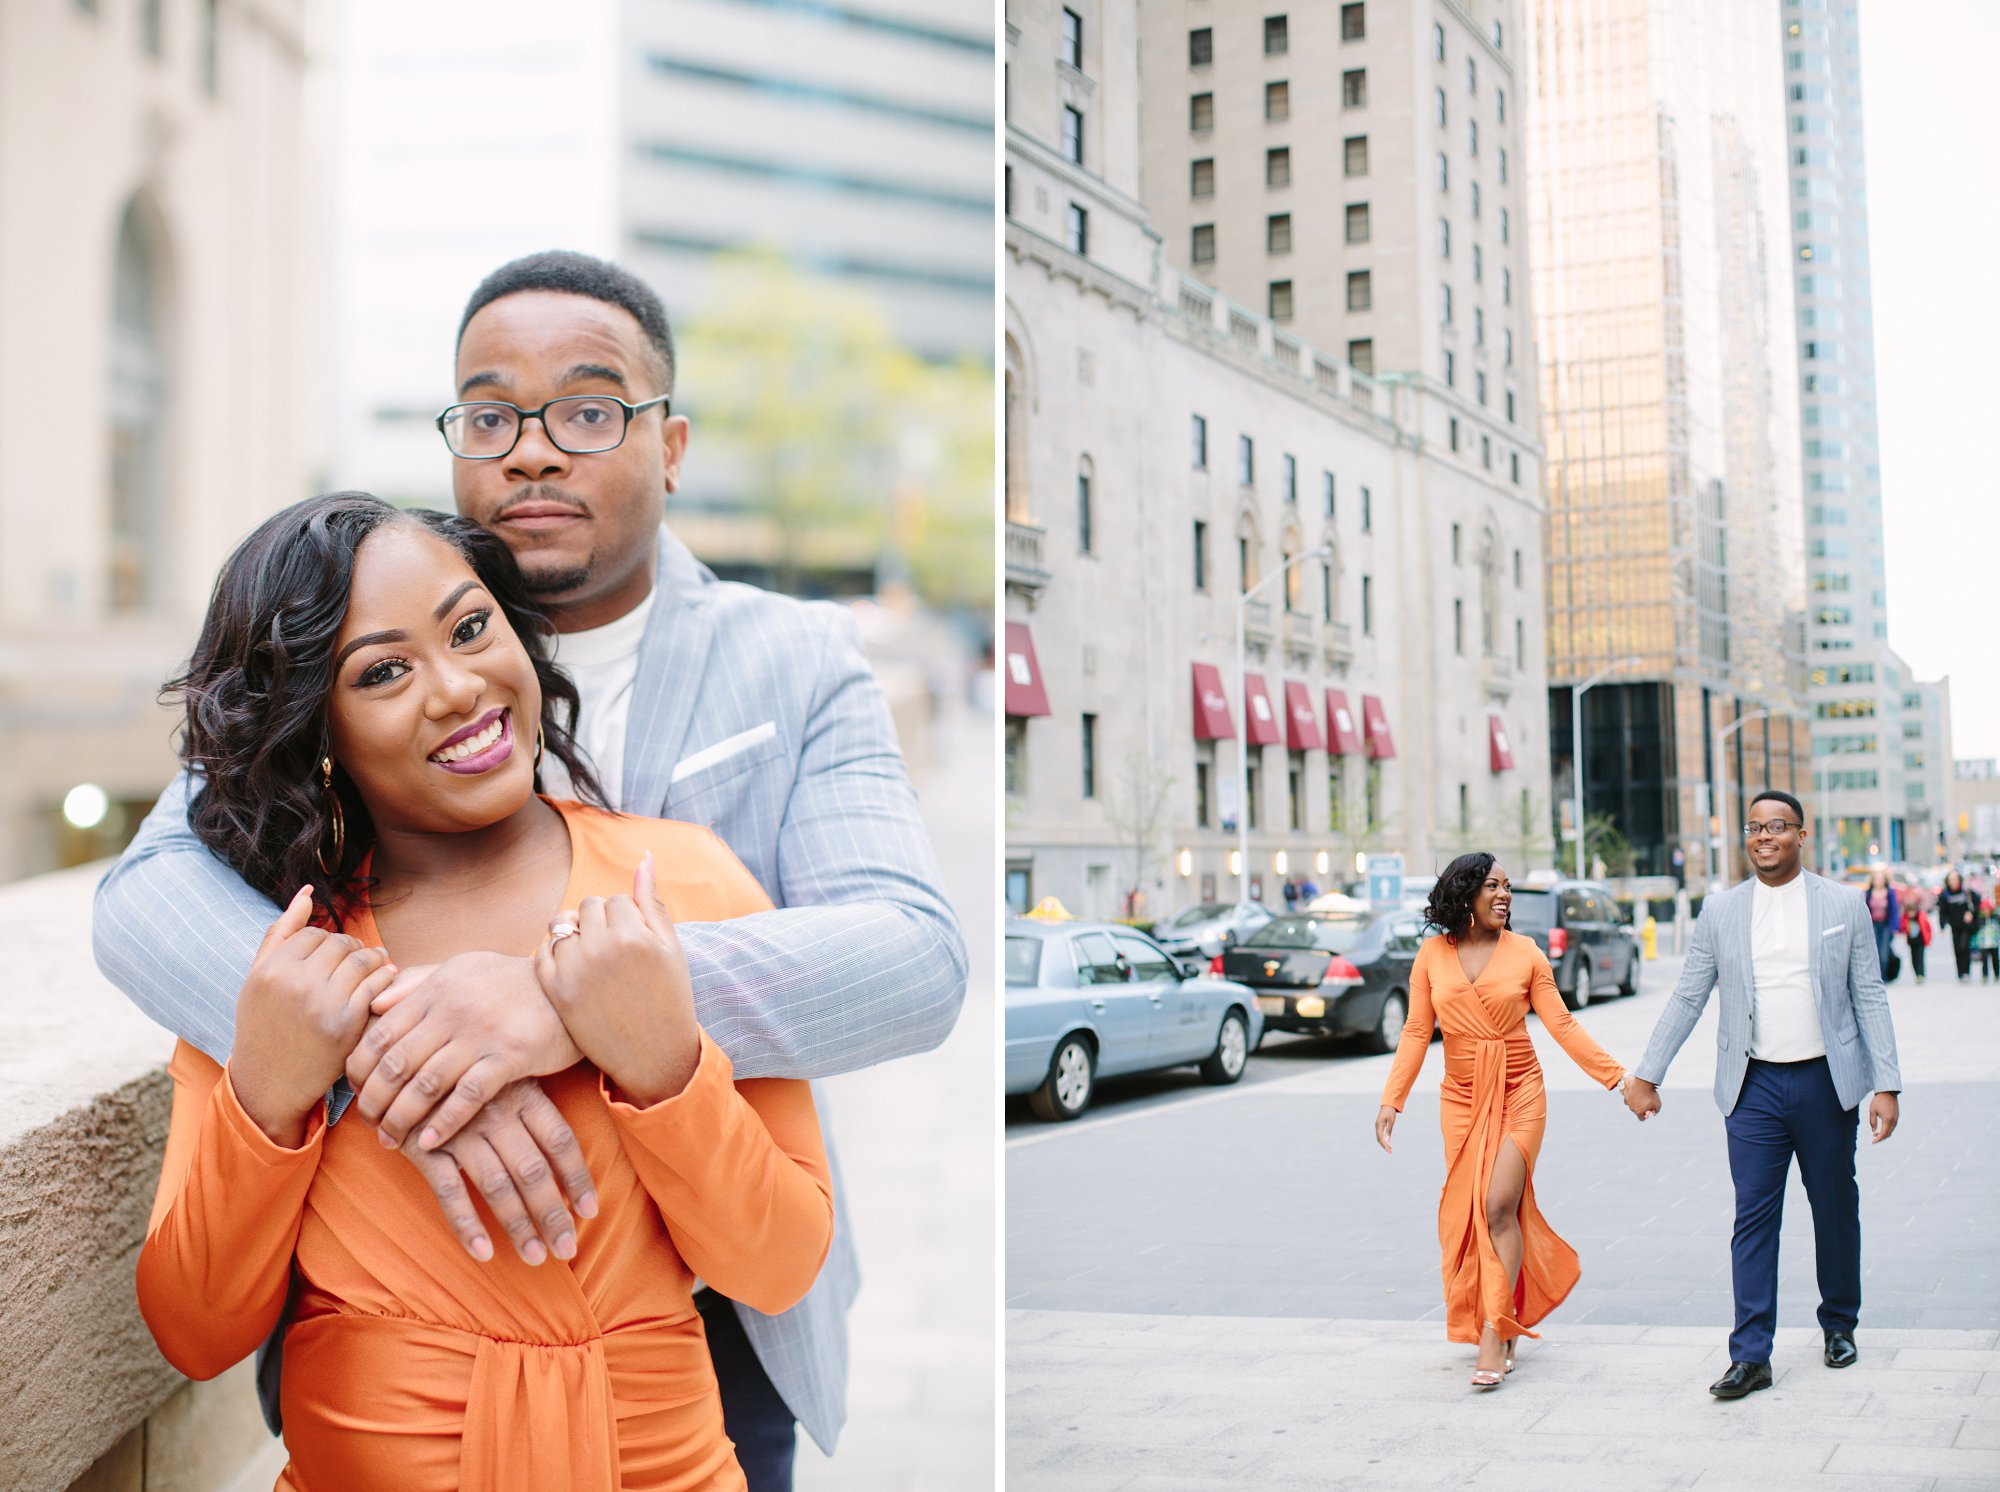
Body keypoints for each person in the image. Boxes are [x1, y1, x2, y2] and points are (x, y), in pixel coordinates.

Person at [96, 251, 967, 1488]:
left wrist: (567, 1003)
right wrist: (393, 1043)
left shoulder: (796, 666)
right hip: (380, 1397)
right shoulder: (348, 653)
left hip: (699, 1356)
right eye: (491, 412)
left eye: (590, 408)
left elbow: (916, 962)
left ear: (669, 445)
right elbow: (147, 890)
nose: (534, 450)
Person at [137, 495, 834, 1488]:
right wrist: (265, 1096)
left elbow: (778, 1267)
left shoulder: (682, 884)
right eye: (382, 671)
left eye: (470, 627)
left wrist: (662, 1070)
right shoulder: (287, 957)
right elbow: (193, 1330)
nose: (459, 687)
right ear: (317, 727)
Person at [1623, 791, 1900, 1399]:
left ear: (1802, 834)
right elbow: (1689, 996)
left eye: (1777, 826)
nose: (1764, 836)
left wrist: (1887, 1083)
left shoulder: (1843, 903)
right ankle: (1751, 1355)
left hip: (1828, 1083)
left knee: (1833, 1206)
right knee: (1753, 1217)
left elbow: (1868, 994)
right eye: (1754, 827)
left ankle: (1839, 1324)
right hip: (1752, 1087)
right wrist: (1648, 1072)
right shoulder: (1720, 910)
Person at [1375, 852, 1634, 1389]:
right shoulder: (1430, 955)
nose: (1504, 895)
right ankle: (1504, 1319)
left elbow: (1560, 1023)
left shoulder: (1526, 953)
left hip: (1520, 1091)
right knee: (1473, 1214)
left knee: (1497, 1205)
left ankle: (1496, 1331)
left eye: (1508, 887)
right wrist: (1391, 1099)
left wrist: (1619, 1079)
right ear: (1464, 892)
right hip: (1461, 1099)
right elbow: (1416, 1032)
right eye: (1492, 885)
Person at [1936, 870, 1978, 982]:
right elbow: (1943, 912)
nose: (1953, 882)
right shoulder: (1945, 895)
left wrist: (1971, 913)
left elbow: (1976, 904)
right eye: (1950, 880)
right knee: (1957, 949)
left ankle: (1966, 972)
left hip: (1966, 926)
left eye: (1955, 879)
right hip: (1954, 925)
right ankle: (1960, 973)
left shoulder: (1966, 892)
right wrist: (1942, 927)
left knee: (1964, 947)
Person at [1863, 866, 1899, 982]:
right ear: (1873, 881)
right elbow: (1864, 910)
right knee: (1873, 952)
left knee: (1883, 952)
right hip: (1873, 925)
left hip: (1885, 925)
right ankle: (1875, 976)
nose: (1878, 881)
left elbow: (1894, 910)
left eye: (1881, 879)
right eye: (1876, 879)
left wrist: (1895, 928)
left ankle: (1883, 976)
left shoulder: (1889, 893)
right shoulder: (1868, 893)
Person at [1901, 896, 1930, 985]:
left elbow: (1927, 928)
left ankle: (1921, 974)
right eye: (1909, 911)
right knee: (1913, 959)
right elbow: (1902, 927)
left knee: (1920, 958)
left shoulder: (1921, 916)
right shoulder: (1905, 919)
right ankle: (1917, 974)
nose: (1911, 913)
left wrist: (1928, 939)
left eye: (1913, 911)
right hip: (1911, 942)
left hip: (1920, 941)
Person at [1973, 895, 2000, 982]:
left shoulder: (1995, 918)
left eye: (1987, 909)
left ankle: (1997, 974)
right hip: (1983, 944)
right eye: (1984, 910)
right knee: (1984, 960)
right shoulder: (1980, 920)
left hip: (1994, 943)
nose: (1986, 911)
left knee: (1995, 959)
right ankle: (1985, 974)